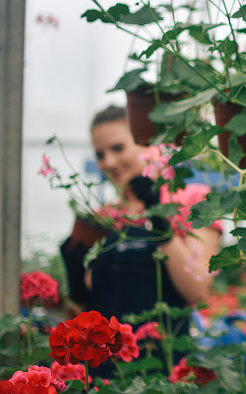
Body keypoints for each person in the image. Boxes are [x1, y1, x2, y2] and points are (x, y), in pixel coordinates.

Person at [59, 105, 221, 353]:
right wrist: (75, 277)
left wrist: (159, 219)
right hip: (110, 362)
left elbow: (197, 291)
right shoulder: (103, 218)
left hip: (165, 357)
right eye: (100, 154)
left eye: (117, 148)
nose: (108, 161)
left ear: (147, 143)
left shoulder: (194, 201)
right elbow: (84, 309)